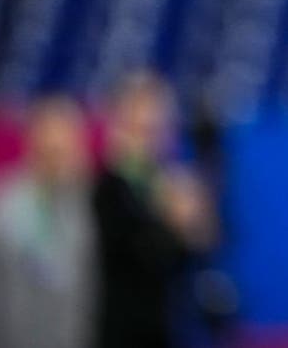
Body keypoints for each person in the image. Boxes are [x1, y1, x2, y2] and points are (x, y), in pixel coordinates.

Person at [92, 71, 215, 348]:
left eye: (158, 128)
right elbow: (138, 250)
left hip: (170, 328)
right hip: (120, 332)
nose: (150, 140)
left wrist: (193, 223)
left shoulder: (171, 182)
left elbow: (198, 252)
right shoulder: (107, 188)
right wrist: (171, 220)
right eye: (141, 128)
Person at [0, 96, 96, 348]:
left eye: (64, 148)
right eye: (49, 148)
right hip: (10, 336)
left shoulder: (89, 202)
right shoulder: (1, 200)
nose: (56, 156)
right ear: (32, 141)